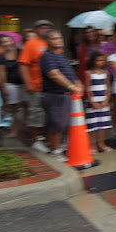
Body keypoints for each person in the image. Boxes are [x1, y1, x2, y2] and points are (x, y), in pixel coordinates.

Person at [40, 29, 83, 161]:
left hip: (64, 95)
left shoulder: (61, 55)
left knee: (62, 124)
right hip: (54, 94)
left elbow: (70, 73)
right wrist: (72, 86)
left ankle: (59, 147)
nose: (58, 41)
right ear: (47, 41)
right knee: (57, 124)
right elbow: (54, 74)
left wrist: (78, 83)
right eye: (54, 38)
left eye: (59, 38)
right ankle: (55, 151)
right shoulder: (47, 56)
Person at [18, 19, 53, 152]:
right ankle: (34, 141)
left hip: (51, 87)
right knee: (35, 114)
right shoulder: (30, 44)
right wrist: (28, 83)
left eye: (47, 27)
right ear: (36, 30)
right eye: (41, 27)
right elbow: (23, 64)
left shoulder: (52, 43)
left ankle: (46, 139)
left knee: (48, 115)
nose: (45, 29)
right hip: (36, 86)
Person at [0, 34, 24, 139]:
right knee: (14, 108)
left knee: (24, 107)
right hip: (11, 84)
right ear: (0, 44)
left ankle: (21, 128)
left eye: (8, 41)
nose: (7, 43)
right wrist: (3, 86)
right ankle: (14, 129)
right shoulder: (0, 56)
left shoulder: (20, 51)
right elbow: (1, 72)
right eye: (3, 42)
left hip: (24, 83)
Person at [84, 52, 113, 153]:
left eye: (102, 60)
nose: (100, 62)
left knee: (102, 124)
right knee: (93, 125)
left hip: (103, 102)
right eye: (97, 60)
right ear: (93, 61)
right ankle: (92, 145)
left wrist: (106, 100)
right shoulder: (88, 73)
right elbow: (88, 88)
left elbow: (108, 87)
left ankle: (101, 144)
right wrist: (92, 101)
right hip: (94, 102)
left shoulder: (105, 73)